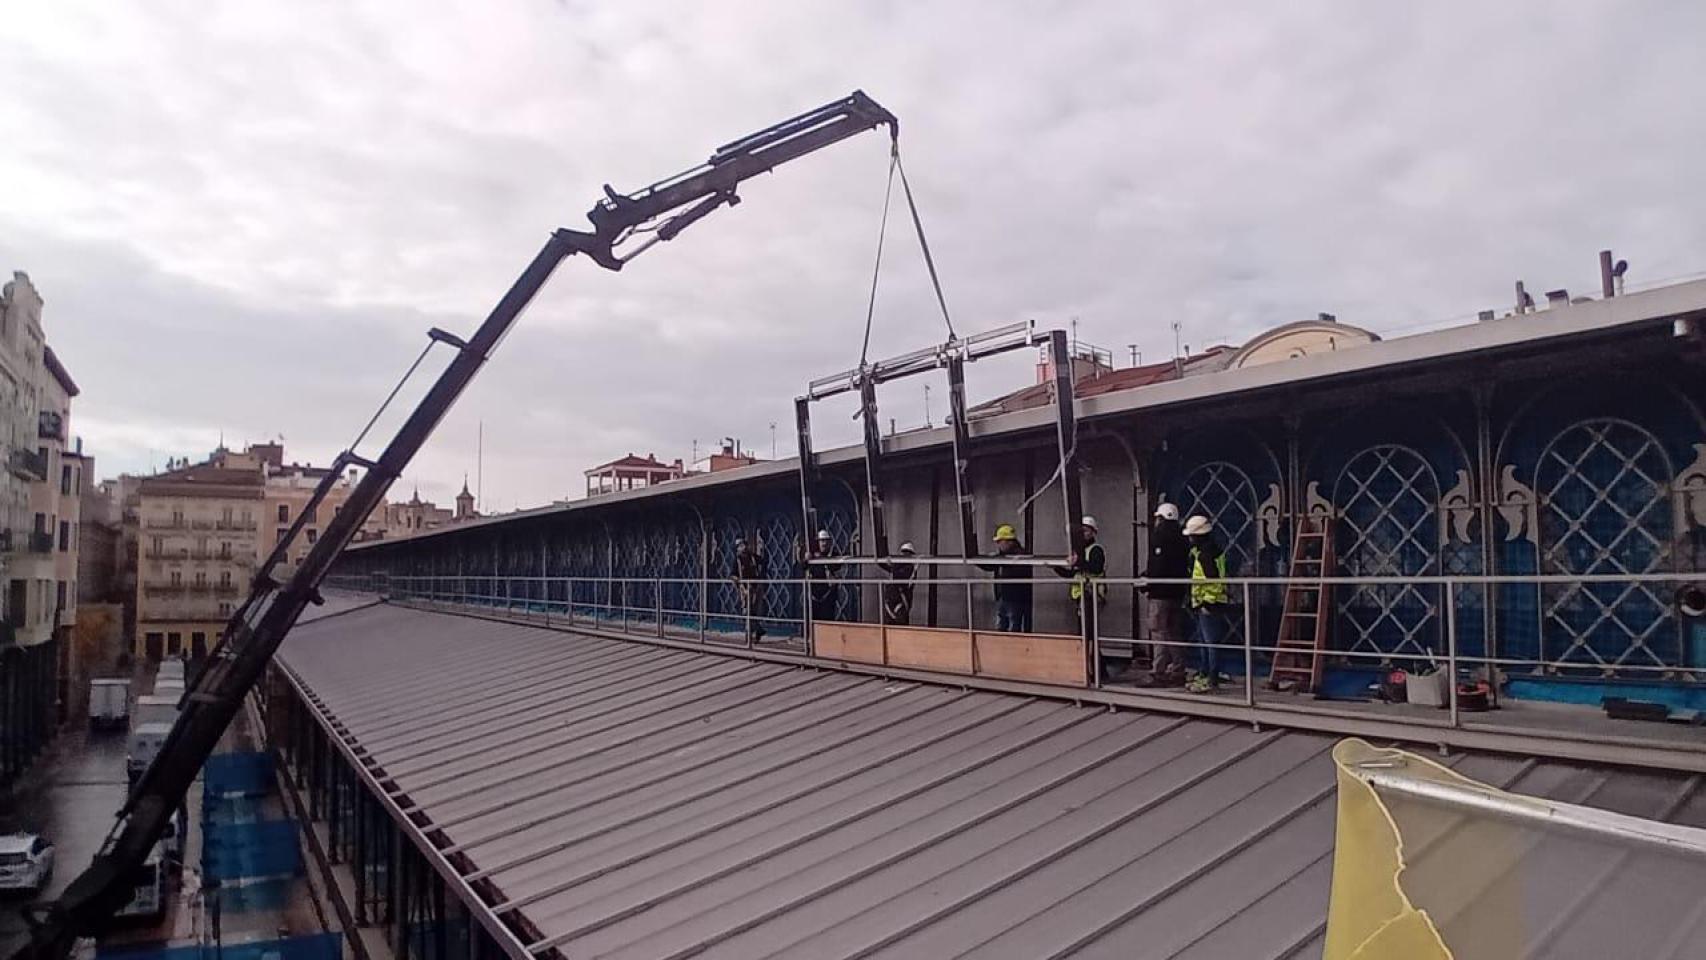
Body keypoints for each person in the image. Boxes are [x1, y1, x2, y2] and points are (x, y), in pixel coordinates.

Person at [1139, 502, 1191, 686]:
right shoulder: (1183, 538)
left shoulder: (1159, 536)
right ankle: (1178, 670)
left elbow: (1158, 565)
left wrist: (1147, 582)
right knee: (1174, 631)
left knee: (1158, 631)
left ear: (1160, 518)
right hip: (1177, 592)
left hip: (1160, 593)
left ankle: (1158, 673)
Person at [1185, 514, 1233, 693]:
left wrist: (1206, 602)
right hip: (1204, 602)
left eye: (1191, 535)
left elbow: (1213, 581)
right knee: (1205, 641)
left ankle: (1211, 677)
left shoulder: (1206, 554)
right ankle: (1205, 673)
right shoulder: (1209, 550)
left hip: (1208, 604)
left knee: (1210, 642)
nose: (1189, 538)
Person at [1055, 515, 1108, 639]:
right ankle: (1088, 655)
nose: (1083, 533)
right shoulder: (1079, 551)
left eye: (1086, 530)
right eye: (1081, 531)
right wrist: (1056, 567)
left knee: (1088, 630)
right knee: (1084, 630)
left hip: (1092, 594)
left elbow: (1096, 568)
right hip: (1081, 595)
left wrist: (1078, 562)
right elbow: (1073, 574)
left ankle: (1091, 656)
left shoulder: (1096, 550)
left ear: (1093, 532)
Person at [979, 524, 1033, 632]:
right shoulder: (1002, 556)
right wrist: (977, 561)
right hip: (1003, 597)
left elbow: (1018, 571)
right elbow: (990, 566)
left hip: (1015, 599)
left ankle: (1013, 648)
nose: (998, 544)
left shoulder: (1021, 556)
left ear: (1009, 541)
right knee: (1002, 626)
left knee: (1014, 627)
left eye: (1000, 541)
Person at [799, 529, 844, 621]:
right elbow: (803, 567)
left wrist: (826, 559)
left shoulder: (834, 554)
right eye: (822, 541)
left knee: (827, 618)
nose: (824, 544)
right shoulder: (812, 555)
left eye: (826, 541)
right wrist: (806, 559)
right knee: (813, 618)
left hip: (828, 593)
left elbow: (837, 567)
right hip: (814, 594)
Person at [733, 536, 766, 642]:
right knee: (746, 611)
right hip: (745, 589)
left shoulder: (753, 557)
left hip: (755, 587)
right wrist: (737, 581)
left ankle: (753, 634)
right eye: (739, 546)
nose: (742, 547)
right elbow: (733, 574)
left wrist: (761, 577)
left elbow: (763, 562)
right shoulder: (737, 560)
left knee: (753, 611)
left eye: (743, 545)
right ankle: (756, 631)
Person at [881, 542, 918, 625]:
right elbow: (884, 566)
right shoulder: (898, 565)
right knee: (891, 628)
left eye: (906, 553)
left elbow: (899, 576)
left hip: (901, 601)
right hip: (892, 601)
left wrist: (892, 563)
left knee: (901, 629)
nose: (904, 555)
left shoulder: (910, 568)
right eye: (903, 552)